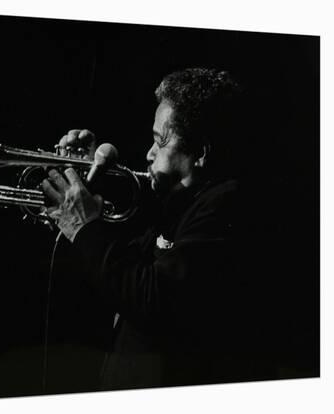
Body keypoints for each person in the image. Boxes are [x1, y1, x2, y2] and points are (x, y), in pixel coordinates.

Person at [41, 68, 267, 391]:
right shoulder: (181, 205)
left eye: (160, 142)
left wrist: (86, 227)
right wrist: (91, 176)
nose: (148, 154)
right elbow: (126, 265)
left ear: (200, 153)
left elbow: (153, 296)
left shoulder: (225, 206)